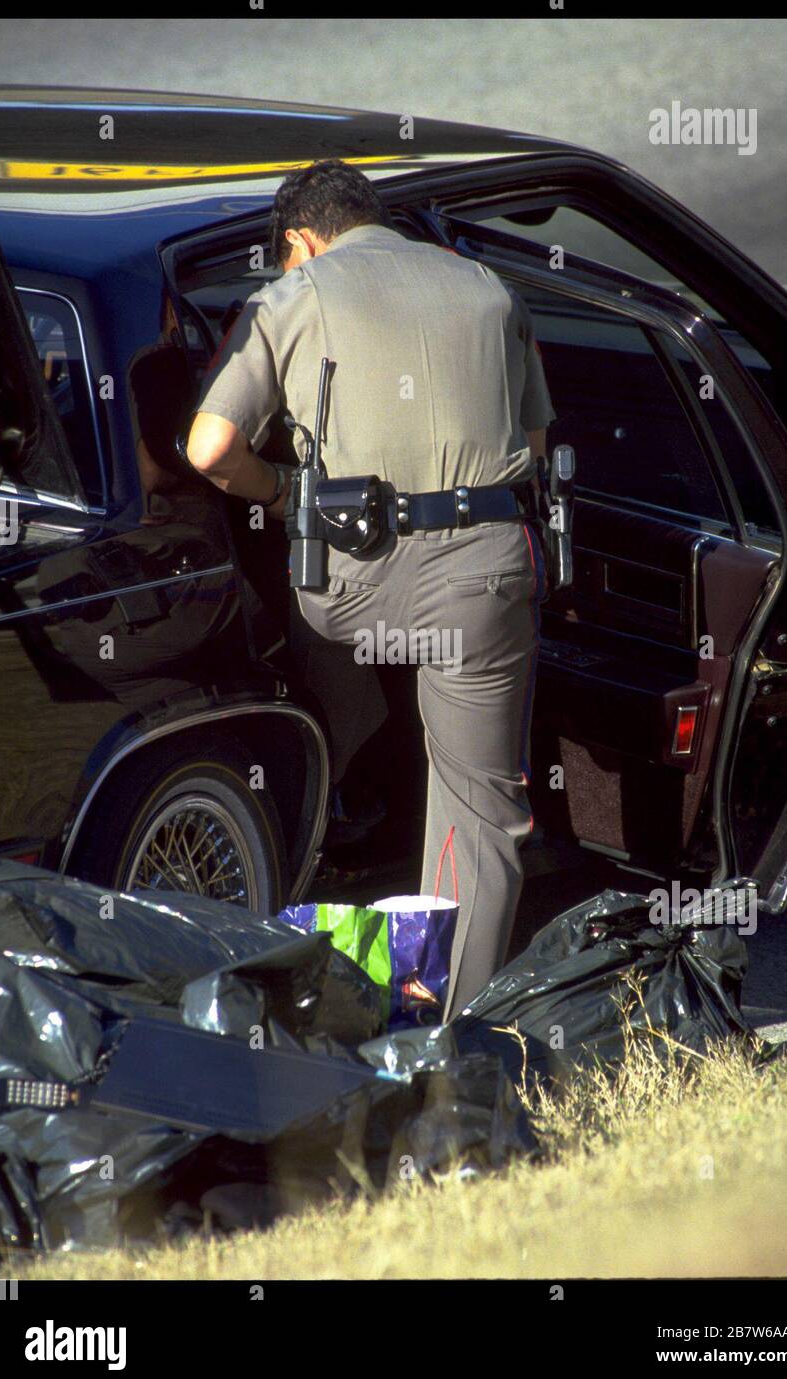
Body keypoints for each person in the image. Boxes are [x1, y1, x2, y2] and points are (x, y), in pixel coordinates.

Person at [187, 159, 555, 1020]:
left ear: (300, 241)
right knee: (479, 808)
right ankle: (442, 1033)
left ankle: (327, 789)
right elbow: (536, 447)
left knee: (316, 678)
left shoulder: (296, 292)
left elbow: (208, 448)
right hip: (481, 580)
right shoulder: (488, 287)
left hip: (347, 589)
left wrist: (282, 495)